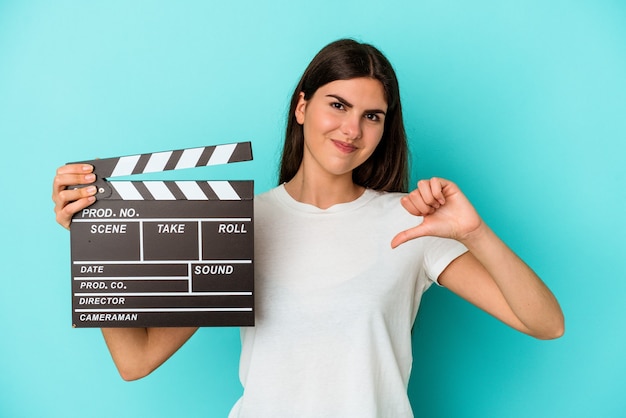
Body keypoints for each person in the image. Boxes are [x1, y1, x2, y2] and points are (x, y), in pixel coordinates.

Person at [52, 39, 564, 417]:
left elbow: (545, 323)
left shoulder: (411, 223)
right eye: (337, 105)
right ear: (302, 106)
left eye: (373, 116)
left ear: (385, 130)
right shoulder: (239, 226)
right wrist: (94, 242)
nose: (351, 129)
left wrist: (474, 233)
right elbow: (136, 359)